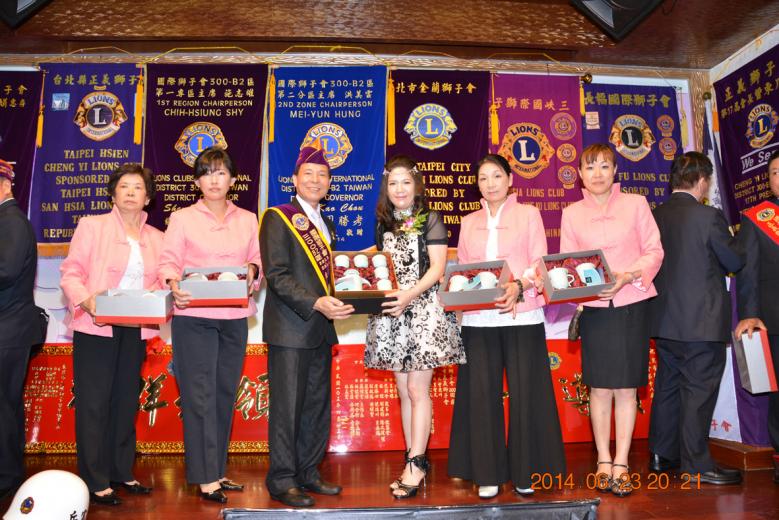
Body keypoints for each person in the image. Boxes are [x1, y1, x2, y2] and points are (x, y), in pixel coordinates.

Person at [447, 154, 566, 499]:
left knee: (527, 392)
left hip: (522, 314)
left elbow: (538, 262)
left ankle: (527, 471)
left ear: (510, 179)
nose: (490, 184)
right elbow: (465, 270)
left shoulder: (529, 214)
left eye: (496, 176)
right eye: (483, 178)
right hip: (478, 319)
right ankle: (487, 473)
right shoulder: (469, 221)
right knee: (481, 394)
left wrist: (519, 286)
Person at [560, 143, 664, 496]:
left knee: (626, 388)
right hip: (595, 310)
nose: (598, 174)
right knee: (600, 387)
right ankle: (603, 459)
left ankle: (621, 462)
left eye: (605, 166)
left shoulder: (636, 204)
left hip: (632, 303)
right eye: (590, 167)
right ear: (580, 175)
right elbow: (567, 262)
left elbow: (654, 250)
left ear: (615, 170)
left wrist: (628, 275)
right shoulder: (572, 213)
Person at [158, 147, 261, 504]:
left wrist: (252, 271)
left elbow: (257, 260)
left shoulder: (248, 219)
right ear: (197, 181)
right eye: (206, 173)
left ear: (232, 179)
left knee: (223, 394)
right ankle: (204, 478)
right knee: (199, 396)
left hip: (234, 316)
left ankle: (216, 470)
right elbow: (168, 263)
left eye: (220, 173)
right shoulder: (182, 218)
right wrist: (173, 283)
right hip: (194, 317)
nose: (214, 180)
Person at [60, 163, 163, 505]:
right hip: (96, 326)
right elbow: (71, 272)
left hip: (135, 328)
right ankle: (94, 478)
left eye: (138, 187)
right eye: (124, 186)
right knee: (94, 403)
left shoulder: (157, 238)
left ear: (147, 197)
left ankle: (121, 471)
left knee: (125, 401)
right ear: (113, 194)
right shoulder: (92, 226)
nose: (131, 192)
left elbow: (161, 282)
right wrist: (86, 300)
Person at [364, 154, 465, 499]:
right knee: (404, 391)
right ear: (386, 188)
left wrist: (409, 295)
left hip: (423, 312)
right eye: (393, 183)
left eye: (405, 182)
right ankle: (413, 458)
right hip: (393, 314)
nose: (399, 189)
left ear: (417, 185)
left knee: (417, 390)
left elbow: (437, 269)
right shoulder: (384, 222)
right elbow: (379, 260)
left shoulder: (431, 219)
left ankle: (417, 464)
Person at [260, 146, 353, 508]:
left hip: (320, 329)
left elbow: (331, 278)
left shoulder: (326, 223)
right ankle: (282, 479)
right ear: (294, 179)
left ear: (329, 183)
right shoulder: (277, 217)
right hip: (290, 328)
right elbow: (277, 275)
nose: (316, 180)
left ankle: (308, 472)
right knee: (287, 407)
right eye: (308, 174)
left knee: (316, 405)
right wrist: (315, 302)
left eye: (322, 175)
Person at [649, 151, 744, 485]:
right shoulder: (709, 217)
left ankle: (662, 455)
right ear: (703, 181)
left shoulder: (655, 215)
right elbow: (733, 260)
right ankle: (697, 465)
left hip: (664, 321)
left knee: (668, 385)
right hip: (701, 320)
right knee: (698, 391)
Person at [735, 150, 779, 483]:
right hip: (774, 319)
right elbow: (747, 272)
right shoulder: (758, 217)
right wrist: (750, 314)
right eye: (775, 172)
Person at [0, 160, 43, 501]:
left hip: (8, 329)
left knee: (4, 405)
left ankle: (6, 476)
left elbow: (6, 271)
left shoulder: (11, 221)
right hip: (8, 328)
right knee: (6, 405)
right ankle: (8, 473)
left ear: (5, 184)